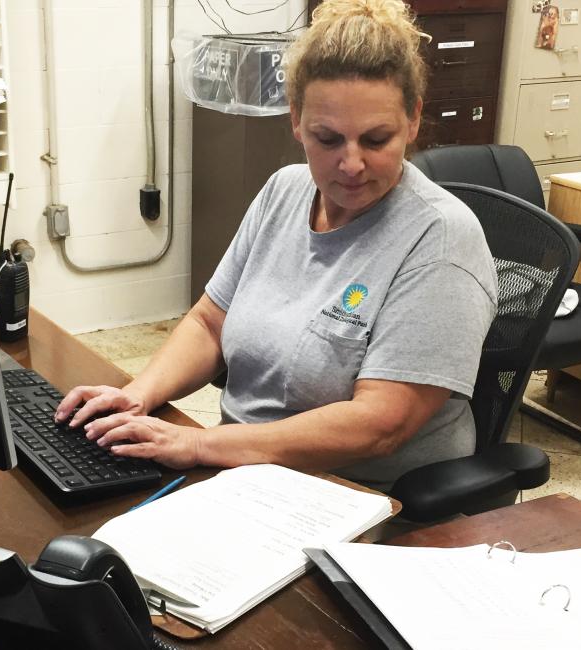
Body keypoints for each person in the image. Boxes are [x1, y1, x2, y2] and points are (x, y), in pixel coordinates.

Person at [55, 0, 497, 492]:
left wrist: (201, 446)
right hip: (245, 470)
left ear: (413, 120)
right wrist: (138, 395)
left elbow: (380, 424)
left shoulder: (440, 239)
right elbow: (209, 321)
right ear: (296, 121)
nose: (351, 164)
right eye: (327, 139)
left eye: (375, 139)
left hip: (362, 501)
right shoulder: (285, 191)